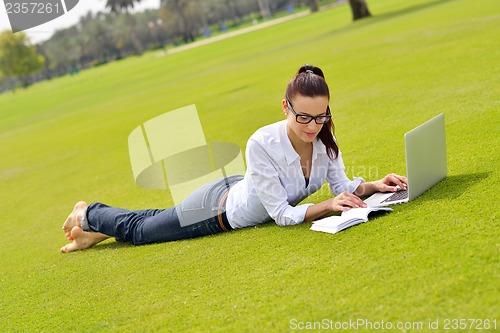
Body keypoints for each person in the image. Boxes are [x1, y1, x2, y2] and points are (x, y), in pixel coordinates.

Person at [60, 64, 407, 253]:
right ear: (286, 107)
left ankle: (93, 234)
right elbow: (284, 216)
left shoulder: (324, 139)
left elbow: (342, 186)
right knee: (143, 231)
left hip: (242, 186)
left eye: (320, 117)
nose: (312, 126)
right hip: (218, 210)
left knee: (156, 220)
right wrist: (329, 205)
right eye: (303, 117)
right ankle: (88, 213)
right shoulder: (262, 142)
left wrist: (374, 185)